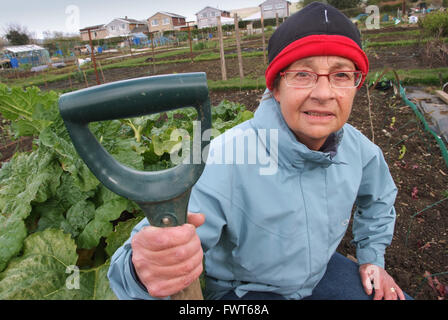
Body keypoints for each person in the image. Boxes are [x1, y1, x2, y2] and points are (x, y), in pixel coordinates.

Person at [108, 2, 413, 300]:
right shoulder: (226, 157)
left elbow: (379, 198)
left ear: (356, 84)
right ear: (276, 88)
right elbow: (134, 265)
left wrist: (372, 257)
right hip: (247, 290)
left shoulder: (360, 150)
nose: (323, 93)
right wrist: (143, 268)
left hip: (320, 273)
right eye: (302, 74)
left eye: (342, 75)